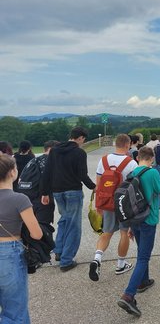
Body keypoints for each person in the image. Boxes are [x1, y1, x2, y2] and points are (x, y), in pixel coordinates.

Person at [117, 146, 160, 317]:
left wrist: (130, 226)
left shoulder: (132, 172)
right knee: (143, 257)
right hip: (148, 219)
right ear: (151, 158)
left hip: (135, 219)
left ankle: (143, 281)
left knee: (141, 252)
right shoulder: (152, 173)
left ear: (138, 157)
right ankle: (129, 295)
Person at [40, 126, 96, 271]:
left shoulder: (55, 151)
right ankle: (66, 260)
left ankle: (59, 251)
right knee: (73, 225)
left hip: (57, 192)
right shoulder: (79, 152)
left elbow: (47, 172)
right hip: (73, 191)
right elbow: (83, 174)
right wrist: (93, 187)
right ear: (81, 138)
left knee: (64, 220)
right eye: (83, 140)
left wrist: (45, 193)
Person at [0, 154, 43, 323]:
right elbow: (37, 234)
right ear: (12, 172)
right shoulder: (19, 199)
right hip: (9, 254)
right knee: (15, 309)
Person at [89, 134, 138, 282]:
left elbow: (98, 186)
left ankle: (97, 258)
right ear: (127, 145)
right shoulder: (131, 163)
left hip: (107, 203)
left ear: (115, 144)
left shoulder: (103, 160)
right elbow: (135, 187)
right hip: (124, 204)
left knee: (106, 233)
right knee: (124, 233)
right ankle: (120, 264)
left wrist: (99, 205)